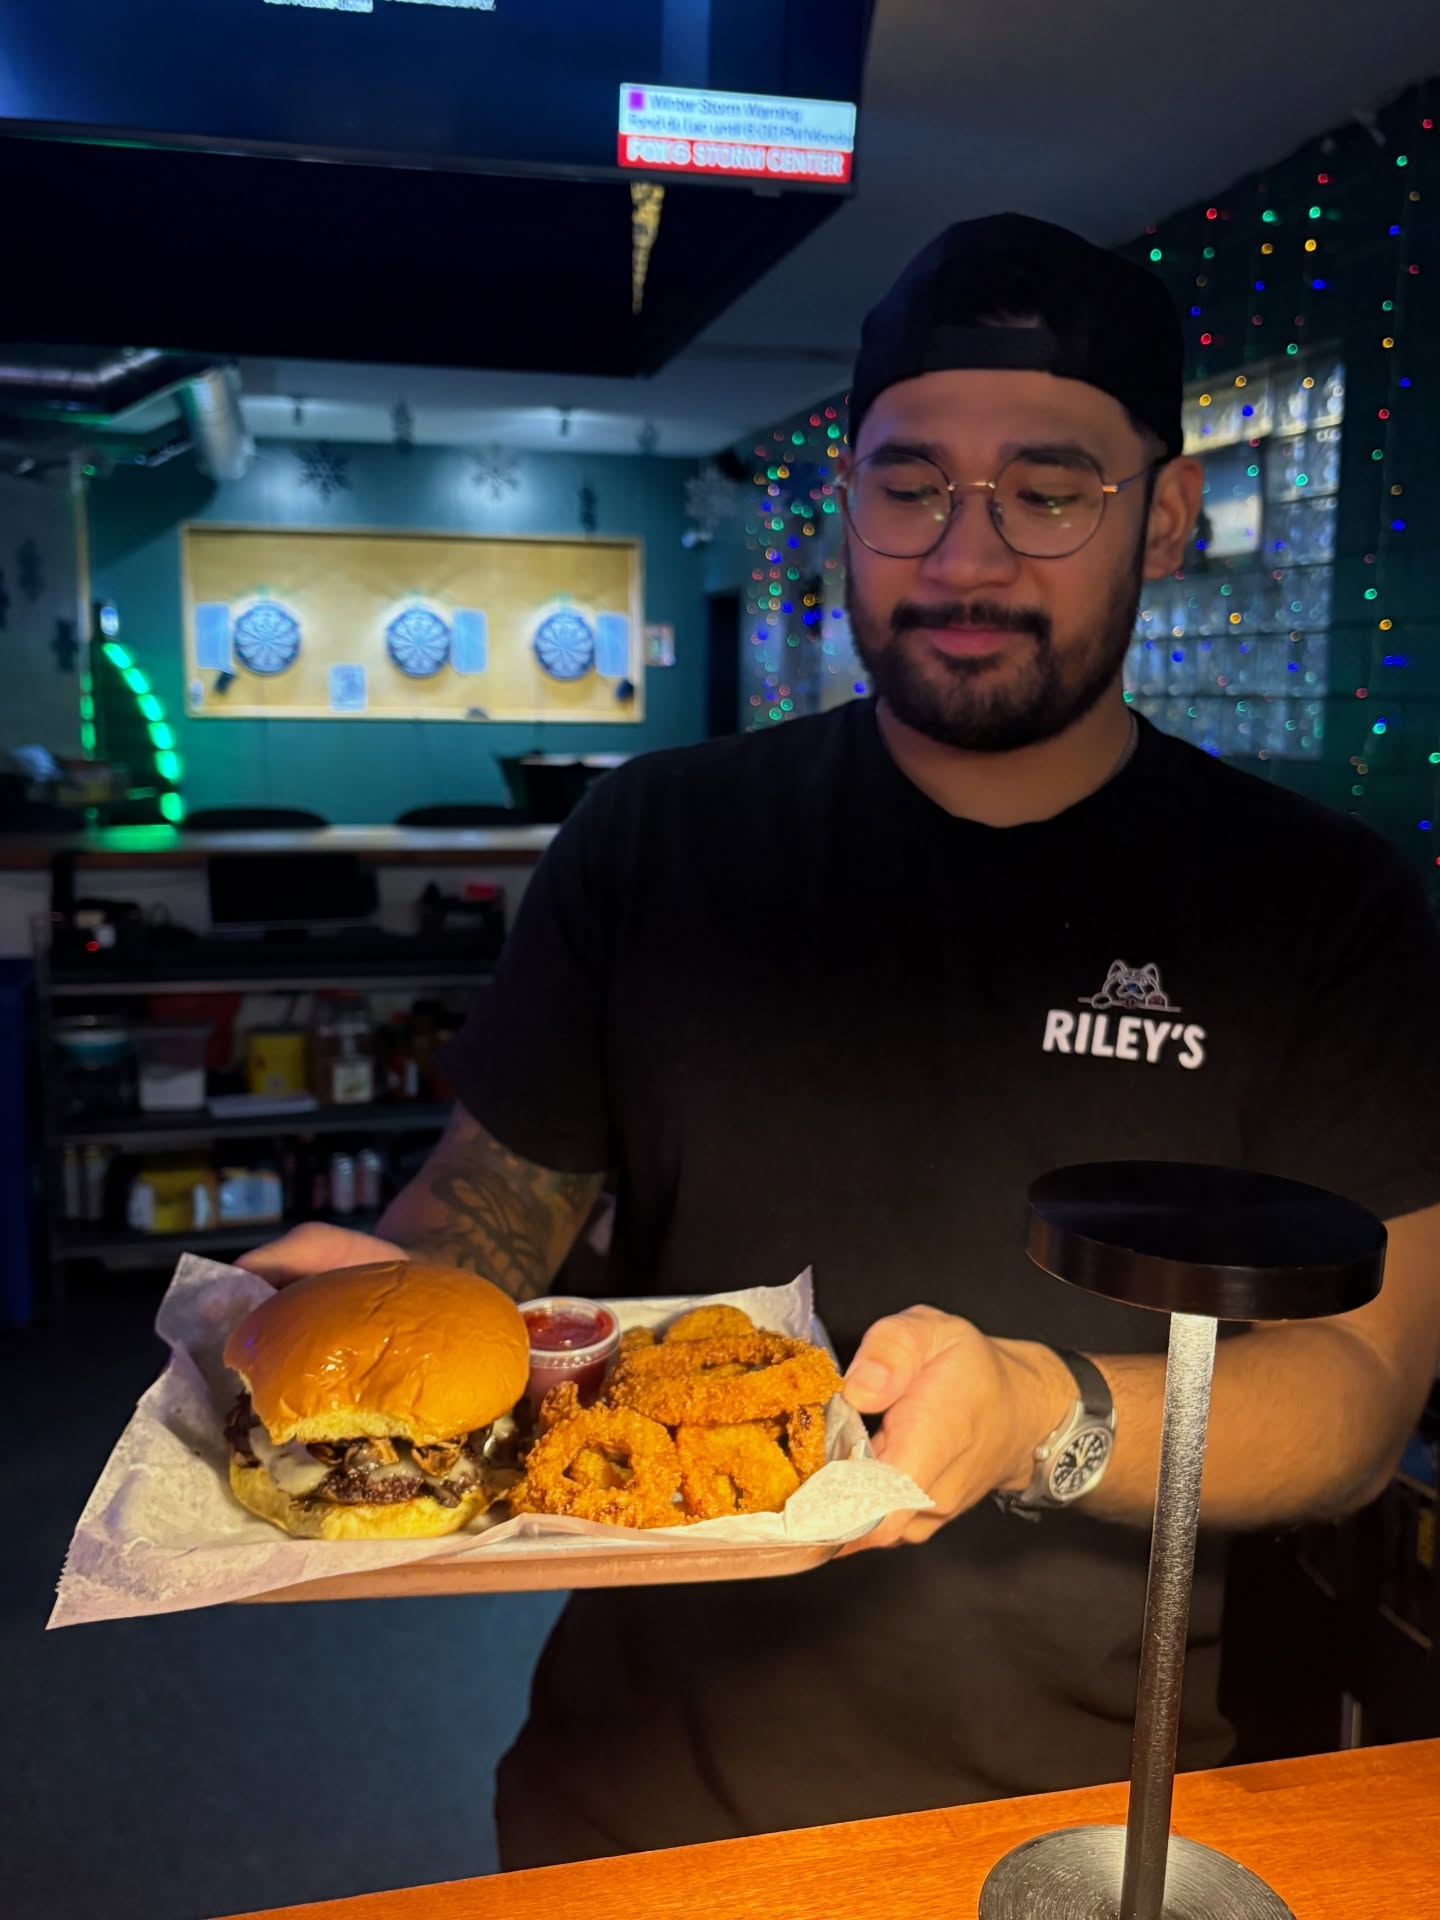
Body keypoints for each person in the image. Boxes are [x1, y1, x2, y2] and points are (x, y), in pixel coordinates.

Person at [244, 213, 1440, 1866]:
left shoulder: (1323, 907)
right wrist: (378, 1303)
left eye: (1050, 485)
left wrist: (1039, 1410)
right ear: (847, 502)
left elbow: (1364, 1392)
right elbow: (491, 1210)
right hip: (635, 1809)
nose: (966, 555)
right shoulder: (658, 839)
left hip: (1093, 1833)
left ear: (1165, 518)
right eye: (909, 481)